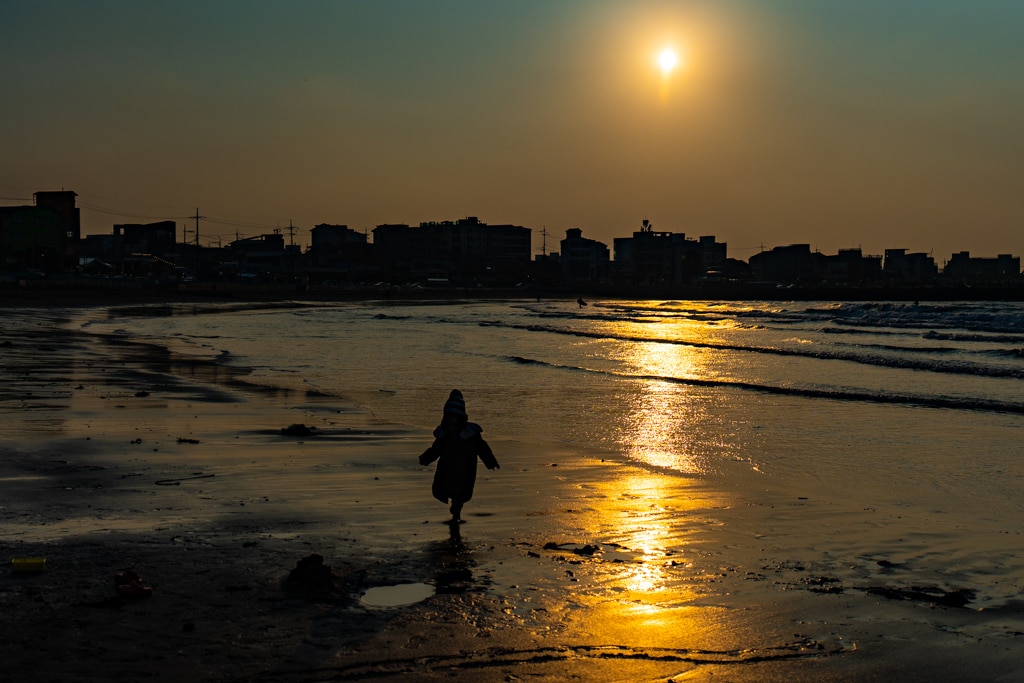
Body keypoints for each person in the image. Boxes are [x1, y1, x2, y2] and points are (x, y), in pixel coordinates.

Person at [418, 389, 499, 524]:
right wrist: (426, 458)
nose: (451, 420)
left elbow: (482, 447)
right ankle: (455, 508)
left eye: (454, 416)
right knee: (445, 488)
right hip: (447, 469)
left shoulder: (470, 434)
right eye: (449, 416)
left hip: (465, 470)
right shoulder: (443, 435)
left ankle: (457, 510)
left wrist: (490, 461)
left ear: (461, 417)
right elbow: (435, 449)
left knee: (461, 494)